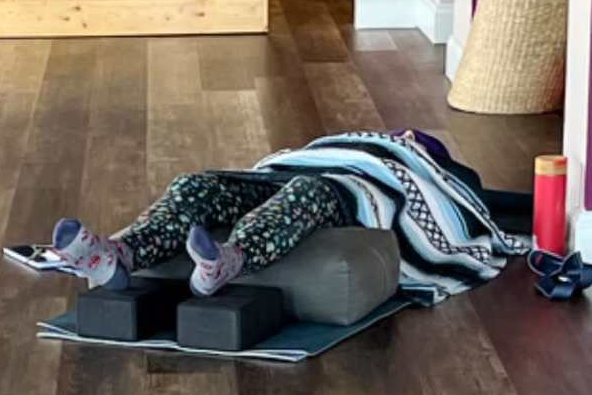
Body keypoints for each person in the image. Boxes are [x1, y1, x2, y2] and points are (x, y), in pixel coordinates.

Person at [32, 127, 490, 297]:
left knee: (302, 195)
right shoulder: (349, 140)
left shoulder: (421, 164)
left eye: (412, 137)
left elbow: (438, 196)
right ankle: (120, 253)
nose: (403, 133)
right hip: (282, 172)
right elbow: (300, 154)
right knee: (197, 185)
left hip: (344, 188)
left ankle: (230, 260)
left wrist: (410, 153)